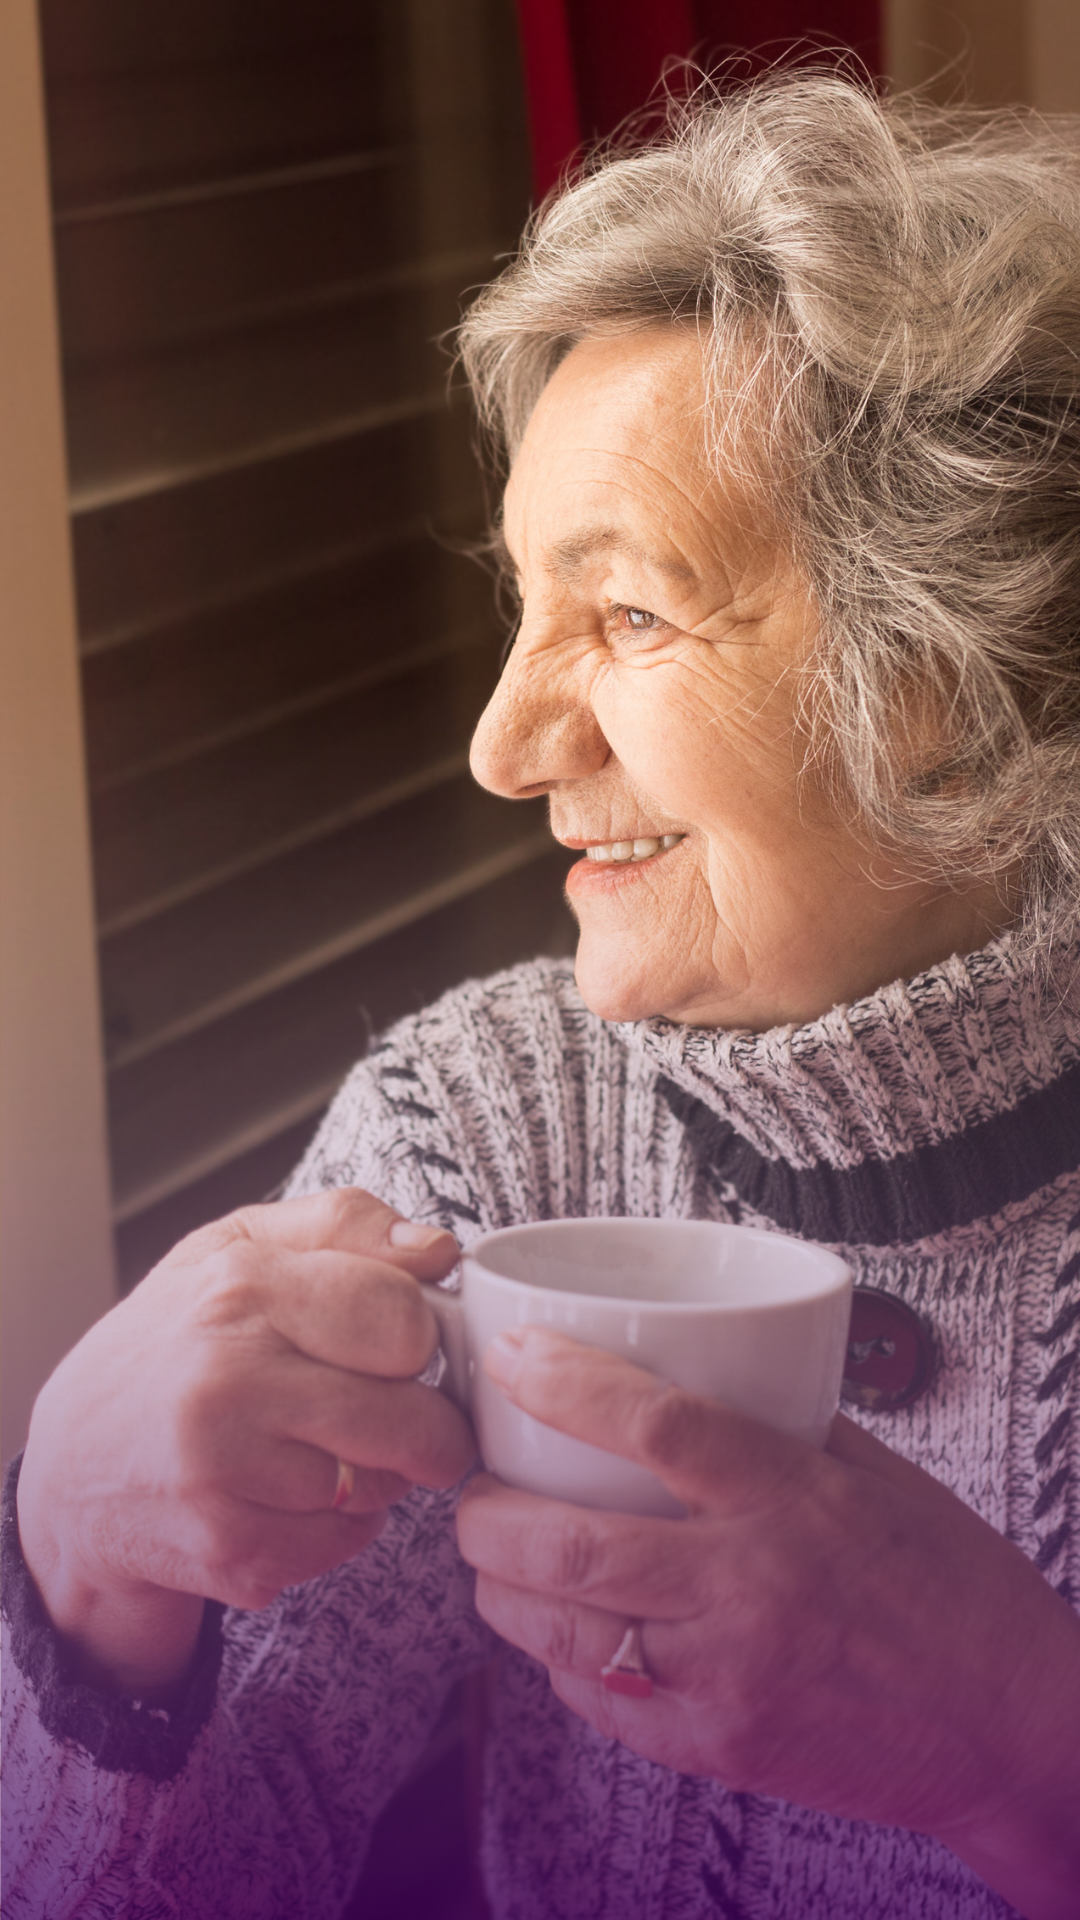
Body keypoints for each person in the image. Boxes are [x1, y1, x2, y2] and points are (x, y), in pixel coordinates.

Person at [4, 70, 1080, 1920]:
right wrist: (90, 1596)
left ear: (959, 671)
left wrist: (1021, 1737)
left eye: (634, 615)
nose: (505, 746)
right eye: (523, 610)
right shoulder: (479, 1127)